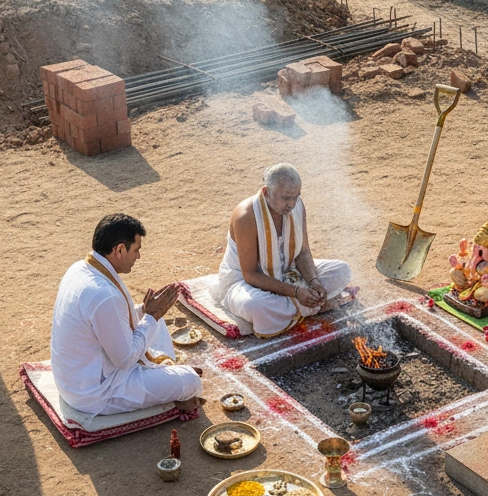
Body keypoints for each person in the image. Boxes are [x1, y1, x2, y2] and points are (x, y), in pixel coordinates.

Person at [50, 214, 202, 415]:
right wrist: (150, 317)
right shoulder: (104, 295)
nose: (138, 256)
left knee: (156, 320)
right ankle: (170, 382)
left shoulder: (79, 268)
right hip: (95, 394)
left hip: (76, 379)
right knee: (190, 381)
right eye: (136, 250)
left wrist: (146, 312)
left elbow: (111, 321)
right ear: (119, 249)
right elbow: (125, 360)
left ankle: (163, 375)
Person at [215, 164, 352, 337]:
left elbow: (302, 252)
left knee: (342, 270)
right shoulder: (246, 216)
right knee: (257, 307)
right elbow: (250, 274)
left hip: (288, 270)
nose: (292, 204)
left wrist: (314, 282)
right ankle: (309, 306)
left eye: (296, 197)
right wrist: (296, 292)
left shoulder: (297, 206)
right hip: (244, 281)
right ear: (266, 192)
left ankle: (294, 308)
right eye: (286, 198)